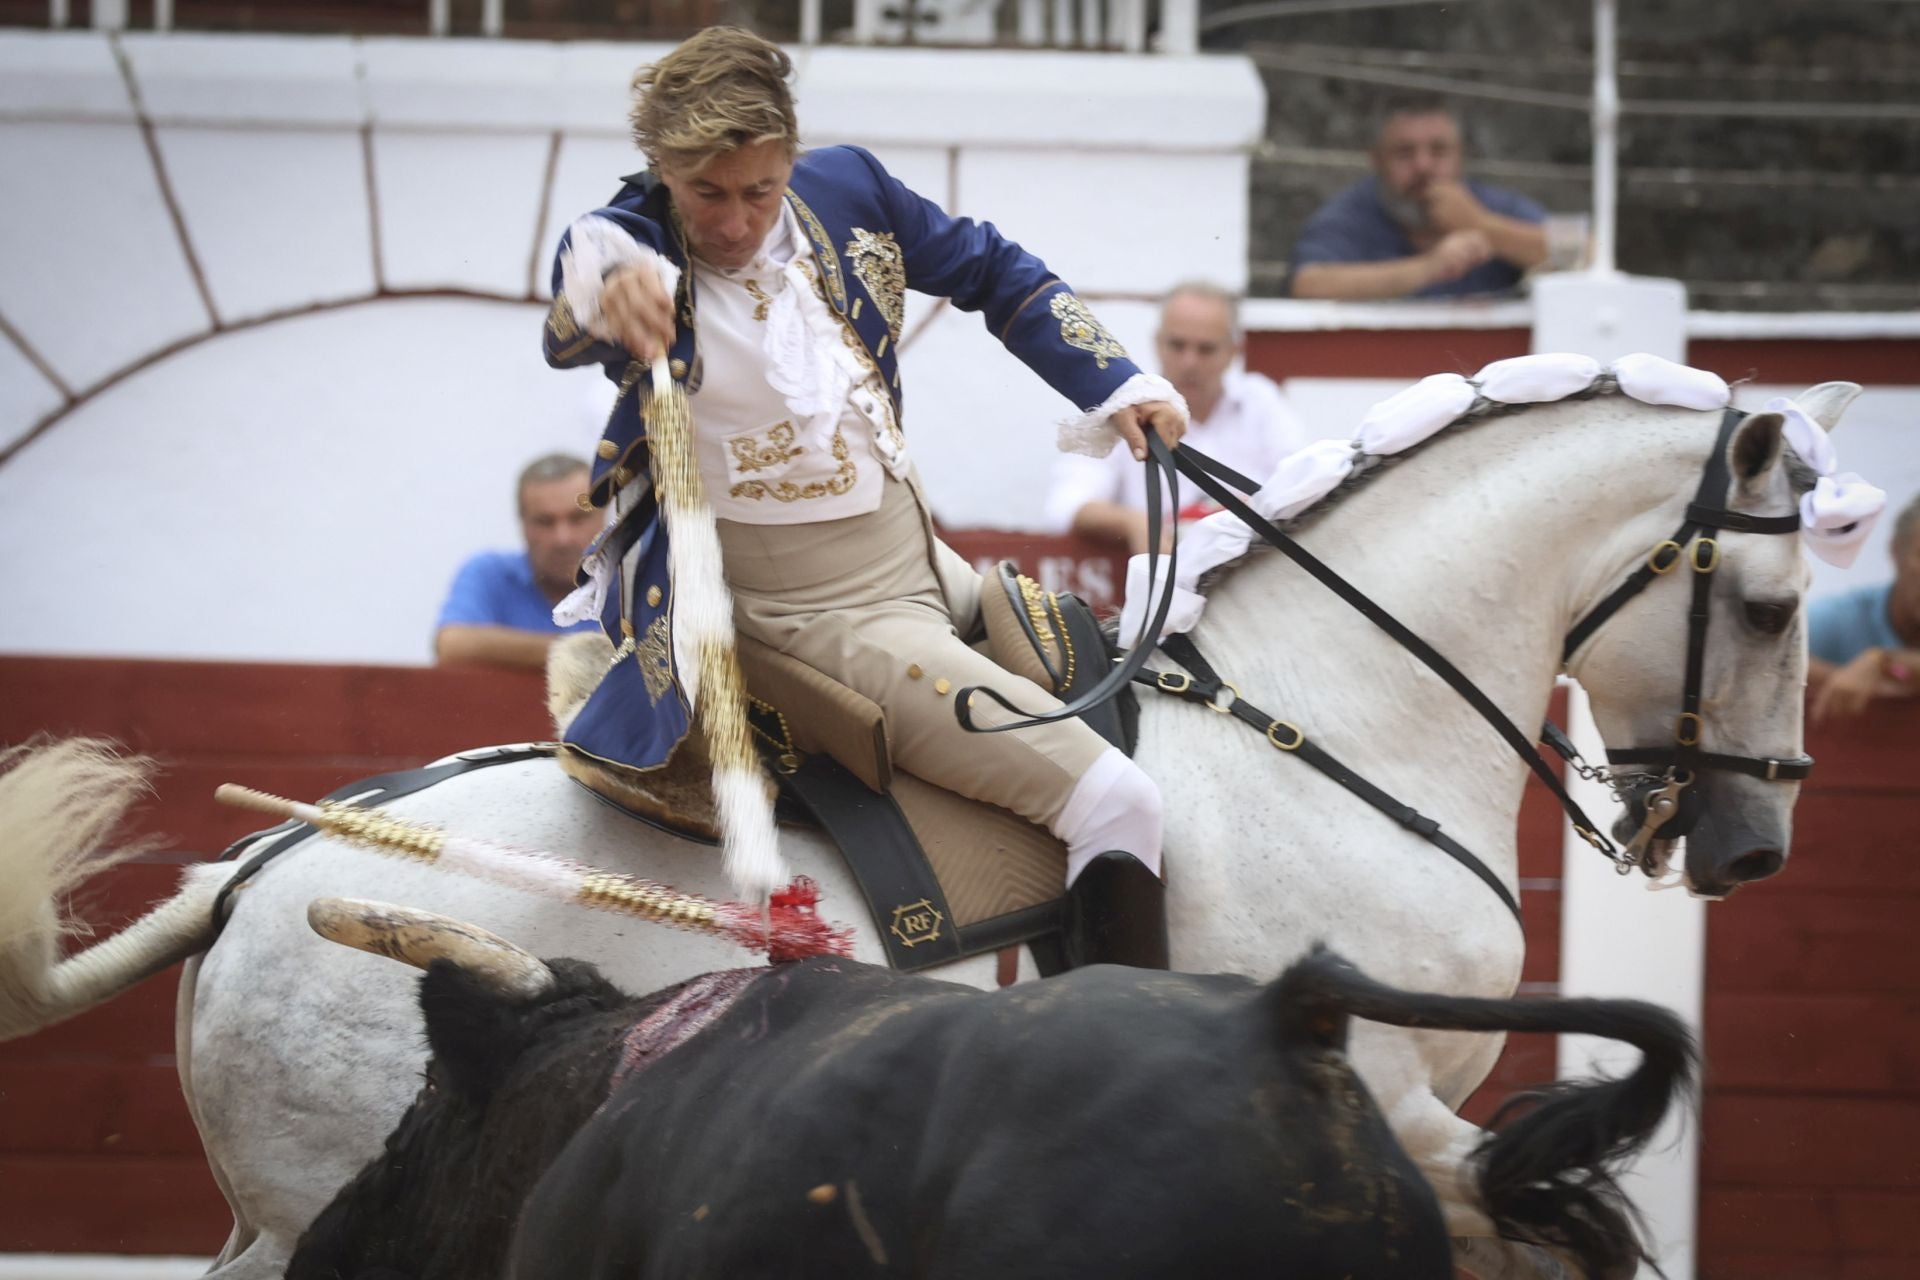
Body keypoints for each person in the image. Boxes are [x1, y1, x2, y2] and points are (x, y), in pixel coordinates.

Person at [541, 27, 1186, 966]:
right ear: (661, 173)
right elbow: (580, 296)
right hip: (810, 617)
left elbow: (990, 268)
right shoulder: (633, 243)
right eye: (704, 193)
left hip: (921, 555)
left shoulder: (850, 189)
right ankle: (1116, 1052)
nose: (732, 222)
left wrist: (1116, 383)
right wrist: (610, 290)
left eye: (758, 189)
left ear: (792, 158)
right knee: (1121, 799)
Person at [1045, 281, 1311, 553]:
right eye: (1177, 345)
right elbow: (1065, 505)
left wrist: (1257, 509)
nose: (1189, 362)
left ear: (1234, 351)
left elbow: (1300, 485)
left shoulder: (1260, 401)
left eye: (1205, 349)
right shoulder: (1124, 405)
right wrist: (1134, 524)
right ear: (1158, 343)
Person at [1288, 99, 1547, 301]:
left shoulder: (1494, 205)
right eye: (1404, 153)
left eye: (1438, 151)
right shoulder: (1350, 215)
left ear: (1462, 155)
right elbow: (1307, 284)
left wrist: (1482, 225)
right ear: (1376, 160)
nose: (1423, 166)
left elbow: (1582, 255)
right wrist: (1428, 268)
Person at [434, 454, 604, 669]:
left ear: (603, 516)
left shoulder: (633, 583)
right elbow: (452, 645)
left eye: (578, 518)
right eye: (545, 522)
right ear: (523, 524)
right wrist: (588, 653)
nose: (563, 538)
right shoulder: (489, 574)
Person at [1808, 493, 1920, 722]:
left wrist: (1884, 664)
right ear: (1896, 551)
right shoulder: (1835, 618)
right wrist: (1834, 677)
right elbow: (1764, 658)